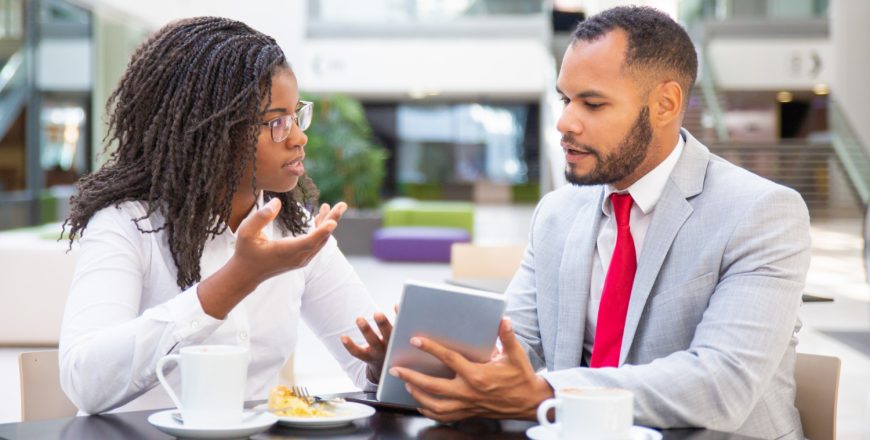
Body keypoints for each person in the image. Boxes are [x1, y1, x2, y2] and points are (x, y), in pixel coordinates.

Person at [389, 6, 810, 439]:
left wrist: (543, 393)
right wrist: (420, 364)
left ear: (665, 104)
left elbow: (722, 383)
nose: (565, 122)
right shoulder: (557, 214)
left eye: (592, 103)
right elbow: (518, 347)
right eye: (565, 99)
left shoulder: (762, 212)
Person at [59, 17, 390, 414]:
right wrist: (238, 278)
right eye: (277, 122)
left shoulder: (296, 231)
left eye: (297, 115)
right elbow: (84, 382)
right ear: (211, 130)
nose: (300, 137)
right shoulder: (126, 224)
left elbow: (362, 365)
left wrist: (380, 364)